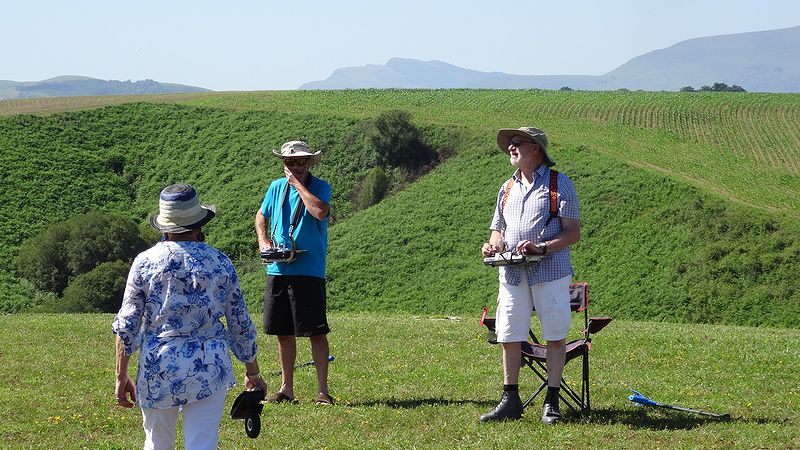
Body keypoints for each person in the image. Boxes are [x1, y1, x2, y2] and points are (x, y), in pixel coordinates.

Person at [113, 183, 268, 450]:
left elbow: (128, 324)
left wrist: (121, 375)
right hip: (210, 366)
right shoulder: (220, 262)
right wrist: (252, 371)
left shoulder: (144, 262)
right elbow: (239, 322)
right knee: (202, 443)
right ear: (198, 224)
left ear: (165, 226)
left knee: (157, 444)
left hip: (158, 364)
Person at [479, 127, 581, 424]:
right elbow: (498, 230)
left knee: (554, 334)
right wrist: (492, 246)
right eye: (509, 144)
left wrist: (542, 248)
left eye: (516, 143)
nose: (510, 148)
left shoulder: (560, 184)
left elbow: (572, 233)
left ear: (535, 148)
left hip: (550, 271)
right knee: (509, 334)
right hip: (511, 274)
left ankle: (552, 402)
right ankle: (510, 400)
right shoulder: (506, 187)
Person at [254, 140, 334, 405]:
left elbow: (320, 212)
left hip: (308, 270)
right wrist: (263, 241)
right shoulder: (275, 188)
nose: (295, 167)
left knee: (315, 331)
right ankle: (286, 389)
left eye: (301, 162)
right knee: (283, 331)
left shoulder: (320, 187)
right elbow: (261, 215)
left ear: (310, 162)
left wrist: (298, 185)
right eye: (290, 162)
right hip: (278, 267)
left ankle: (322, 391)